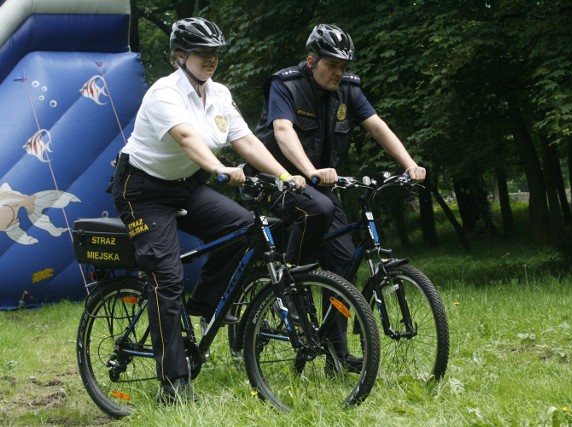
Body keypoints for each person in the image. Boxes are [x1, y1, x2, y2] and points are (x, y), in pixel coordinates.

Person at [109, 17, 305, 403]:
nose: (211, 59)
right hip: (143, 190)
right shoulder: (164, 93)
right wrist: (218, 168)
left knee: (244, 229)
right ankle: (174, 385)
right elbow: (185, 138)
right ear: (180, 56)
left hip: (186, 186)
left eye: (215, 53)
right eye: (202, 53)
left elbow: (245, 140)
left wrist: (284, 173)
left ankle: (202, 303)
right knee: (166, 278)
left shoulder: (219, 94)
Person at [254, 24, 427, 367]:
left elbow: (377, 126)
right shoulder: (285, 84)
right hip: (278, 182)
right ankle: (289, 282)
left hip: (320, 187)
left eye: (343, 65)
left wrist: (409, 164)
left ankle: (336, 351)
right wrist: (308, 171)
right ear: (311, 60)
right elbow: (282, 131)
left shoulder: (348, 90)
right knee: (315, 210)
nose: (338, 72)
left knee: (344, 263)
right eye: (332, 64)